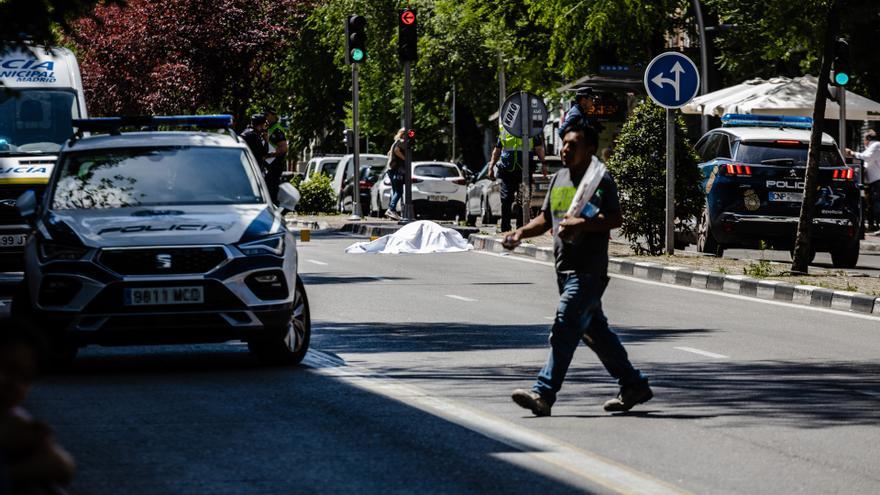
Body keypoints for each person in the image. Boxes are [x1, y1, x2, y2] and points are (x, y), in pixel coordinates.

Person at [504, 118, 652, 417]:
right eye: (565, 143)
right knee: (595, 332)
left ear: (590, 148)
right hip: (564, 269)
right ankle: (633, 384)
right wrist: (520, 233)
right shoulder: (559, 178)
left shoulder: (600, 181)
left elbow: (615, 219)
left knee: (564, 326)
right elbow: (546, 219)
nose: (566, 149)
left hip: (588, 271)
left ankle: (543, 394)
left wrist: (582, 223)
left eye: (573, 144)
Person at [0, 328, 76, 493]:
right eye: (6, 370)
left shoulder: (16, 421)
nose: (15, 385)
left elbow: (62, 466)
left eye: (25, 377)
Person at [488, 124, 548, 232]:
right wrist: (491, 167)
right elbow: (497, 150)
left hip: (524, 171)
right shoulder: (505, 130)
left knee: (524, 200)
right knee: (506, 199)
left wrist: (543, 163)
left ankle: (522, 228)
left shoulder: (531, 130)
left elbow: (539, 148)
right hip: (507, 171)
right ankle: (505, 229)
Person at [846, 129, 880, 232]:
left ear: (868, 139)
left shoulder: (876, 145)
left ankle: (878, 224)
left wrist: (852, 153)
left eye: (864, 140)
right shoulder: (872, 147)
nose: (863, 142)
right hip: (873, 181)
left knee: (877, 203)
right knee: (872, 204)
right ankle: (873, 225)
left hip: (877, 180)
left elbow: (867, 157)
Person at [264, 108, 289, 205]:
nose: (265, 117)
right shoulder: (269, 128)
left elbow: (283, 148)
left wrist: (269, 155)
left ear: (274, 116)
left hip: (275, 164)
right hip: (269, 165)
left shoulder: (277, 129)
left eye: (267, 115)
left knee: (272, 189)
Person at [385, 128, 407, 220]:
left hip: (391, 169)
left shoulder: (395, 142)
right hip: (396, 170)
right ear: (403, 134)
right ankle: (391, 209)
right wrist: (405, 158)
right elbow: (396, 151)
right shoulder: (400, 142)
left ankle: (392, 212)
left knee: (395, 191)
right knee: (399, 191)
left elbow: (389, 153)